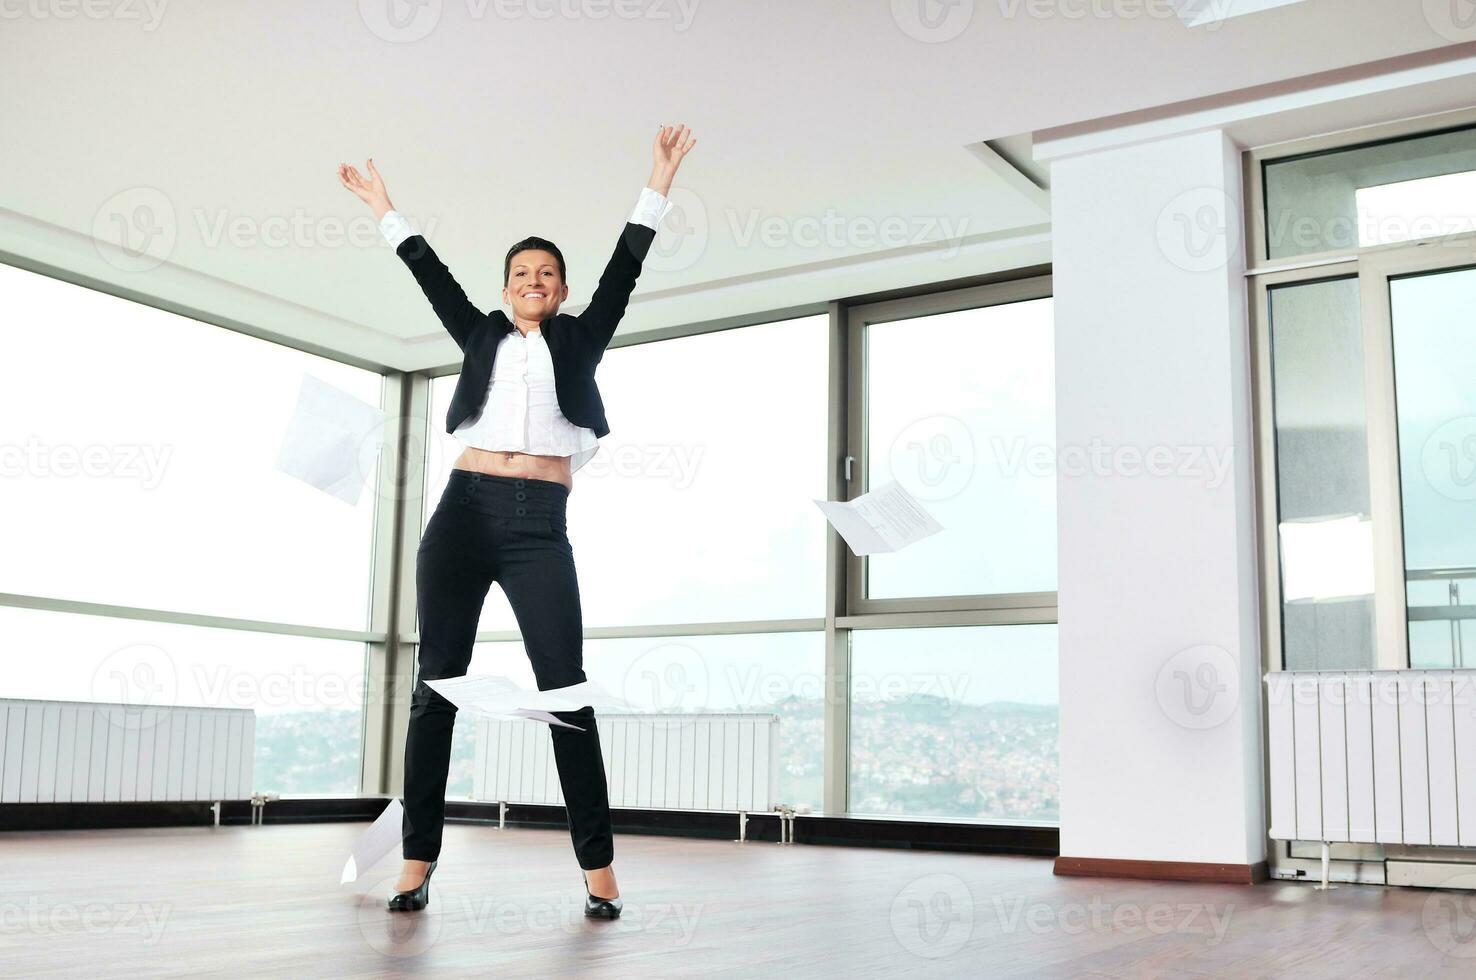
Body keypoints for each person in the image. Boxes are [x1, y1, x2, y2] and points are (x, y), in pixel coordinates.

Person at [336, 124, 696, 919]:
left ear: (561, 292)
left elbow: (626, 265)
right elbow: (428, 274)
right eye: (521, 272)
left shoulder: (581, 337)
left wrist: (658, 182)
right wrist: (384, 207)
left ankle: (598, 872)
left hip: (540, 522)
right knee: (436, 688)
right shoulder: (480, 335)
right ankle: (416, 863)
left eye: (548, 273)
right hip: (461, 515)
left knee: (567, 692)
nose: (534, 279)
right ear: (505, 289)